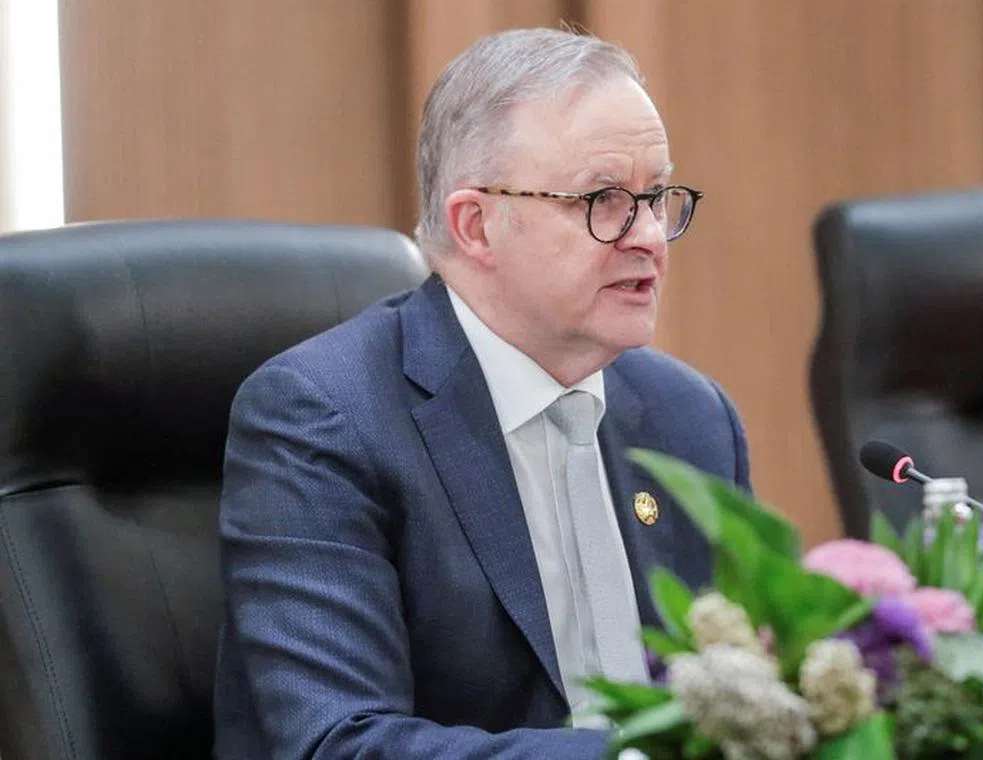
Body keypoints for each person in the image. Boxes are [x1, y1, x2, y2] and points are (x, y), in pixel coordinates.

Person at [213, 26, 752, 759]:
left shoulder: (692, 418)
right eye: (604, 200)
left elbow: (747, 694)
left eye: (655, 196)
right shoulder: (322, 419)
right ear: (476, 226)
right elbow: (337, 743)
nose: (650, 236)